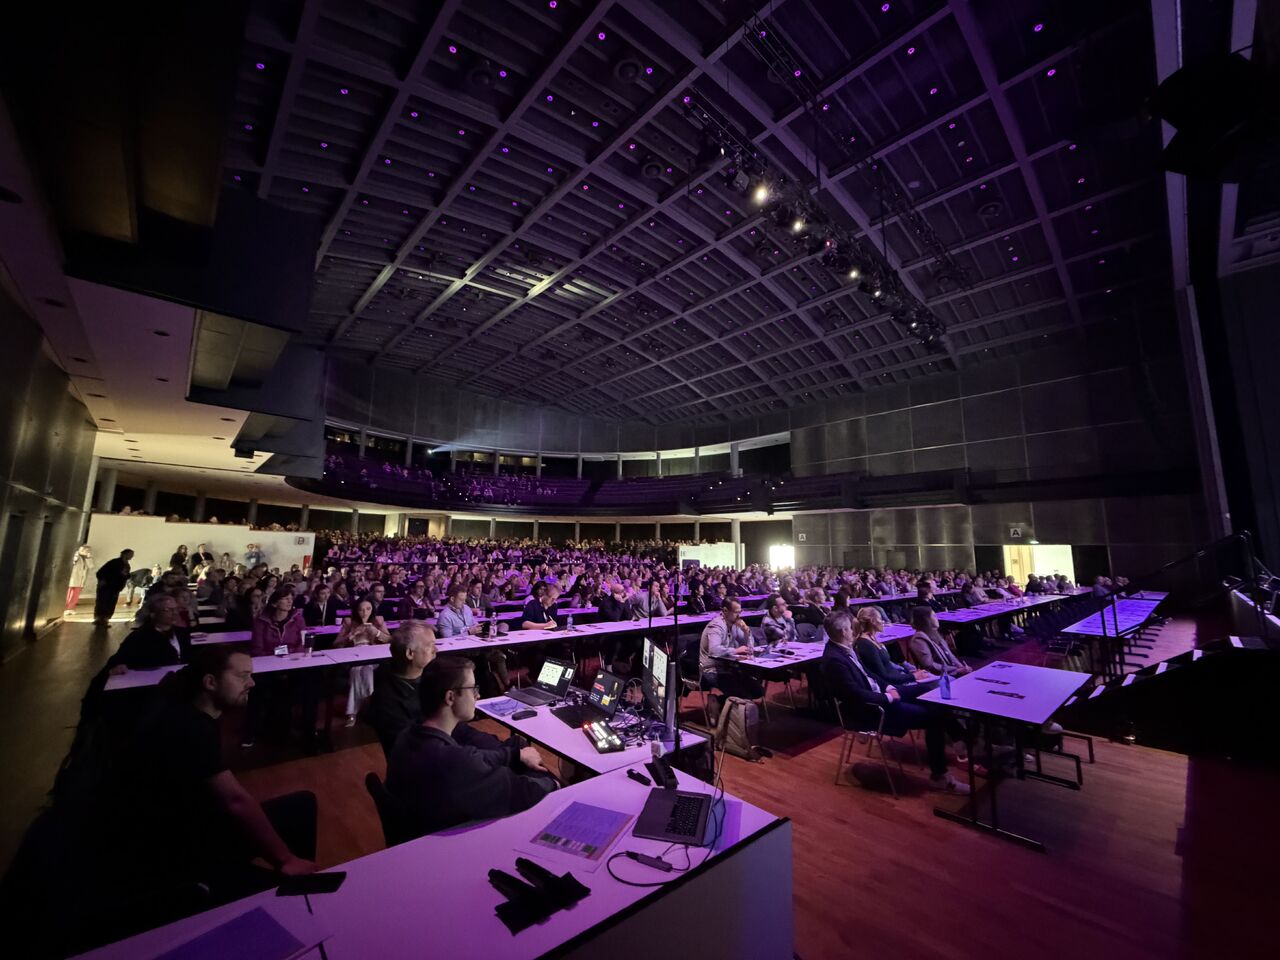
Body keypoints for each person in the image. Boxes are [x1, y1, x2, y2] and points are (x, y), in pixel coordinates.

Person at [103, 645, 316, 905]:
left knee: (303, 805)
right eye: (242, 676)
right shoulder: (189, 728)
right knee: (293, 824)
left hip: (191, 824)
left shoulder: (185, 711)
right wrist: (285, 859)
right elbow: (235, 801)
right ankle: (298, 891)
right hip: (173, 852)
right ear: (210, 682)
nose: (251, 682)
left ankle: (305, 884)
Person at [385, 656, 558, 837]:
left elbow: (476, 759)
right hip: (454, 844)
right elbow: (523, 792)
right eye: (472, 688)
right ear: (450, 697)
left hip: (426, 831)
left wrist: (514, 755)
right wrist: (556, 783)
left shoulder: (409, 735)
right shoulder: (452, 761)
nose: (478, 695)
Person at [820, 609, 968, 793]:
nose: (854, 631)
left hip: (880, 697)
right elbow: (854, 695)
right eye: (851, 629)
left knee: (931, 693)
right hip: (873, 710)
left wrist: (887, 687)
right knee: (935, 718)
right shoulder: (835, 659)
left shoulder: (843, 648)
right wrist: (887, 697)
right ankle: (941, 776)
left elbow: (869, 675)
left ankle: (961, 742)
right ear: (843, 632)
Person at [367, 622, 437, 756]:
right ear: (410, 653)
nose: (436, 650)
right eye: (430, 645)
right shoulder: (386, 700)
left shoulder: (432, 678)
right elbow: (410, 750)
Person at [334, 598, 392, 726]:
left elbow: (390, 640)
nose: (364, 613)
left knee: (365, 668)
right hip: (354, 655)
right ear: (356, 611)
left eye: (368, 609)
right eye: (361, 610)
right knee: (359, 669)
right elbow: (336, 645)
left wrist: (377, 633)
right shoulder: (349, 622)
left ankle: (352, 712)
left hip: (374, 655)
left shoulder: (378, 621)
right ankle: (368, 705)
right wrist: (352, 634)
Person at [852, 607, 935, 689]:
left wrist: (910, 673)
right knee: (930, 687)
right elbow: (884, 676)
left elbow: (888, 666)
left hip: (898, 678)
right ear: (873, 621)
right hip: (893, 687)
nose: (883, 622)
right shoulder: (866, 645)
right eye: (880, 619)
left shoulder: (871, 638)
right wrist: (912, 677)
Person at [698, 599, 763, 701]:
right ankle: (718, 703)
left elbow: (748, 647)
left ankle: (720, 701)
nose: (739, 615)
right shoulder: (716, 626)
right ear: (725, 611)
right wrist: (736, 651)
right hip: (711, 670)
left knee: (757, 691)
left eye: (740, 612)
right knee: (744, 694)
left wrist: (747, 631)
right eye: (736, 612)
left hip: (729, 667)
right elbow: (714, 650)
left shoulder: (734, 624)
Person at [907, 606, 972, 678]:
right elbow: (929, 665)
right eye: (934, 616)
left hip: (950, 671)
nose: (937, 618)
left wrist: (961, 666)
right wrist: (956, 670)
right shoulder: (918, 639)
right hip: (939, 677)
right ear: (926, 620)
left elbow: (950, 655)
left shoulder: (934, 633)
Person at [93, 549, 134, 625]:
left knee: (110, 603)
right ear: (125, 554)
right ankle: (99, 619)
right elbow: (101, 572)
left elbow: (125, 575)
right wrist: (103, 580)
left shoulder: (126, 565)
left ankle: (105, 619)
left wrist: (126, 575)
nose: (132, 556)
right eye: (131, 554)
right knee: (103, 602)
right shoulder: (114, 562)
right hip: (108, 586)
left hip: (115, 587)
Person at [66, 544, 93, 612]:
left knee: (76, 594)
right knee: (70, 593)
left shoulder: (86, 558)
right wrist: (76, 555)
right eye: (86, 550)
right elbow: (73, 562)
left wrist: (89, 558)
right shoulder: (76, 555)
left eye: (89, 551)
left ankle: (71, 608)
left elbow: (91, 566)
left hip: (81, 579)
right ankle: (66, 608)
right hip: (74, 578)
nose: (88, 552)